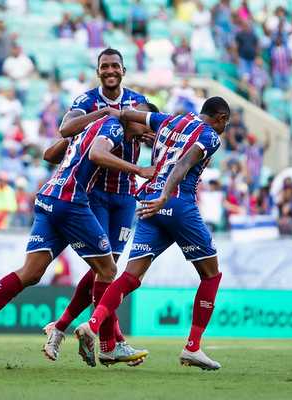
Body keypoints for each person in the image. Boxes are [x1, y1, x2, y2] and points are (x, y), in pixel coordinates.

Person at [0, 105, 156, 368]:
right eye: (144, 123)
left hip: (48, 197)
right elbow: (97, 153)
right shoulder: (113, 127)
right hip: (71, 202)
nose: (146, 129)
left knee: (31, 272)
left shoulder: (92, 125)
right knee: (107, 270)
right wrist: (138, 170)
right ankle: (109, 346)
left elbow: (51, 152)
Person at [74, 96, 231, 371]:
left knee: (130, 276)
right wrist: (166, 196)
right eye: (225, 124)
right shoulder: (210, 136)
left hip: (148, 202)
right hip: (177, 203)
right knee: (211, 274)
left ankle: (93, 324)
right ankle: (192, 347)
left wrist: (107, 113)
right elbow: (183, 166)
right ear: (221, 119)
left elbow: (125, 114)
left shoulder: (168, 120)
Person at [41, 48, 156, 366]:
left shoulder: (137, 102)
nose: (110, 70)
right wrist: (107, 115)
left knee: (102, 273)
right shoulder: (85, 101)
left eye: (115, 66)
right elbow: (65, 131)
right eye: (104, 66)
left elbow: (151, 127)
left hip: (125, 198)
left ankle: (62, 328)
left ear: (123, 69)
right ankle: (111, 341)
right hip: (94, 195)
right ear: (98, 71)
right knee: (105, 271)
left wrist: (148, 134)